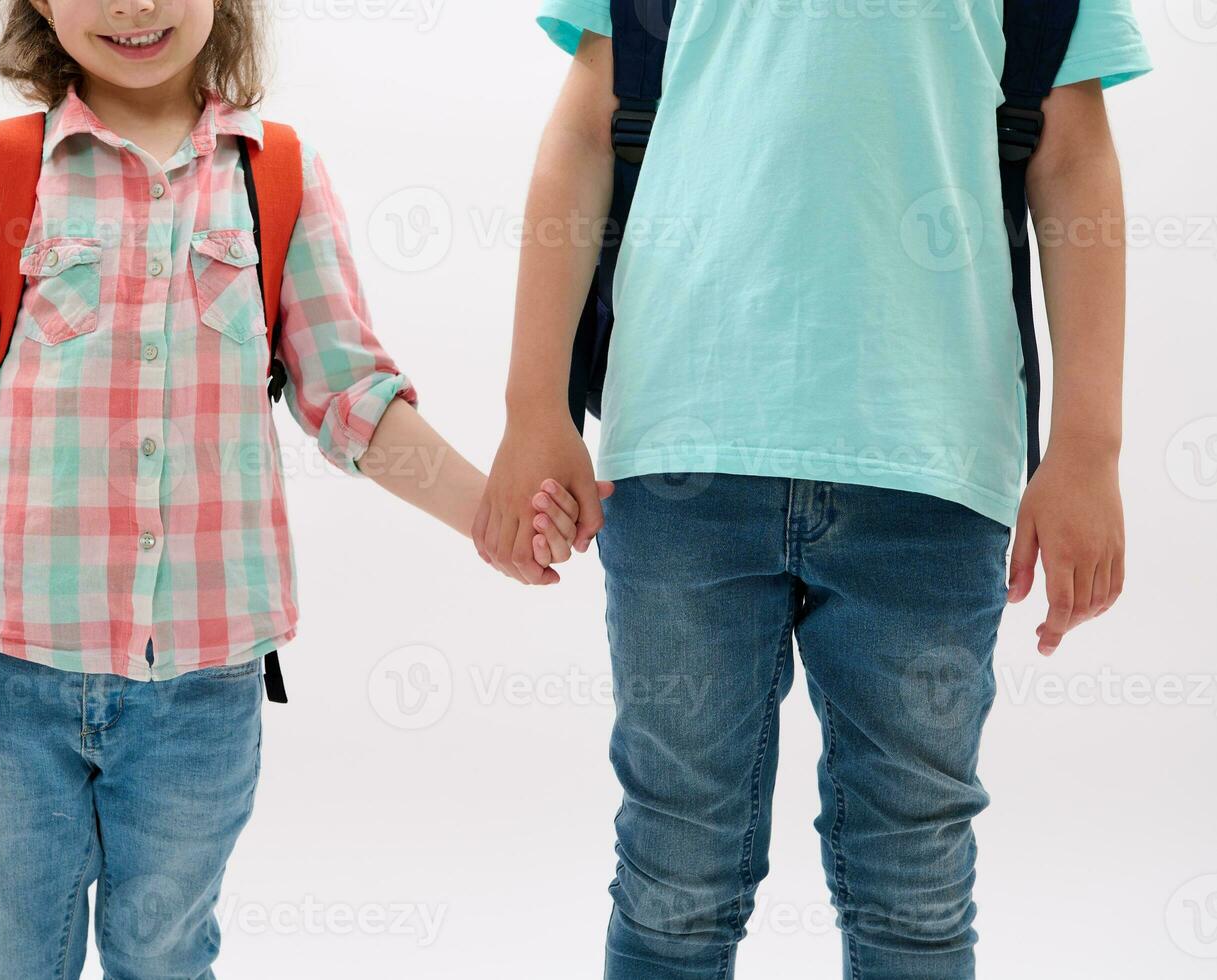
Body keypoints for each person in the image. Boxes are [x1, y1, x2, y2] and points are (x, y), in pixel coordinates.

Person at [0, 0, 583, 974]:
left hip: (202, 694)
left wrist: (490, 514)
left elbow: (354, 402)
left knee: (164, 953)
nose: (134, 7)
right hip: (7, 675)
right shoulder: (2, 171)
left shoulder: (275, 176)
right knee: (7, 955)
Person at [476, 2, 1150, 976]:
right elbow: (589, 121)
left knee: (912, 884)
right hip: (684, 449)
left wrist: (1090, 444)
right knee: (674, 878)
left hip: (934, 459)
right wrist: (533, 406)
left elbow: (1072, 150)